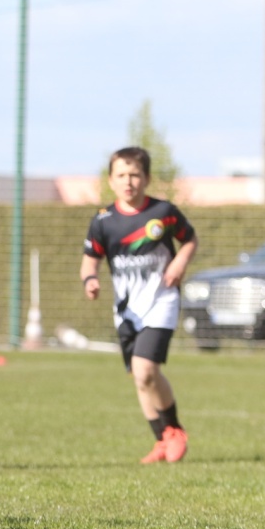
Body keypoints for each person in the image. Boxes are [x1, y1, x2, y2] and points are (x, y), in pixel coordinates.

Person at [80, 146, 198, 464]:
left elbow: (190, 239)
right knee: (139, 376)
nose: (128, 181)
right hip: (127, 312)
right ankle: (162, 439)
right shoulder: (103, 221)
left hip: (161, 302)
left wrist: (179, 263)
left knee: (145, 370)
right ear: (111, 180)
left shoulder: (163, 212)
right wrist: (90, 280)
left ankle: (174, 431)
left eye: (134, 174)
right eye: (121, 175)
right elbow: (89, 261)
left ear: (146, 178)